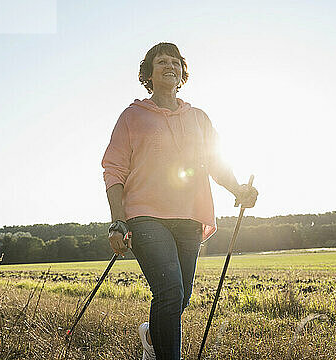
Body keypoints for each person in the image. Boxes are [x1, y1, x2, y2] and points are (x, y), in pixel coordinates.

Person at [101, 42, 257, 360]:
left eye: (175, 61)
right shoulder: (132, 116)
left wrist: (238, 190)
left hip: (189, 216)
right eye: (161, 61)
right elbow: (114, 169)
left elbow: (215, 163)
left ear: (182, 72)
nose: (169, 66)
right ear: (149, 73)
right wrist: (118, 219)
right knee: (170, 290)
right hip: (145, 216)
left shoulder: (199, 118)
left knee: (179, 297)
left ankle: (151, 338)